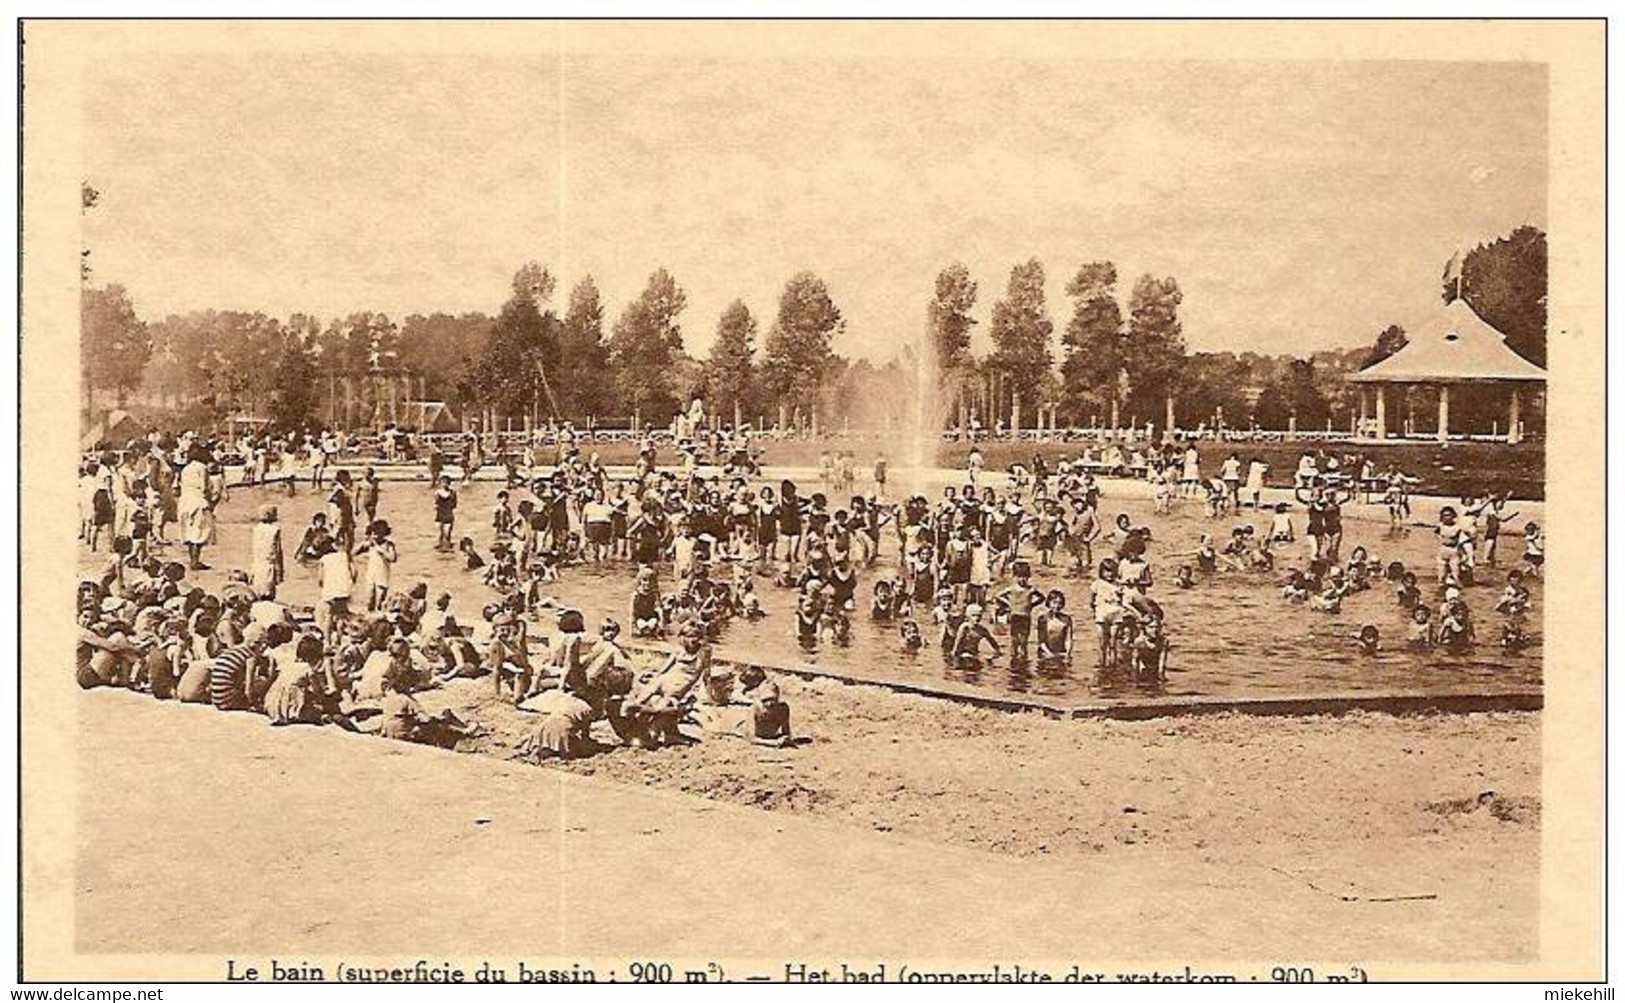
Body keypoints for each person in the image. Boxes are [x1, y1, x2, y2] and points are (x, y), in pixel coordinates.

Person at [249, 504, 284, 601]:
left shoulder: (256, 529)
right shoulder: (275, 530)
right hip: (269, 564)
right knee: (268, 593)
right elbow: (277, 551)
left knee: (258, 590)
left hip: (257, 564)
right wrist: (279, 570)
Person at [433, 475, 458, 551]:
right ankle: (441, 545)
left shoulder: (453, 493)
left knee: (447, 532)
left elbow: (454, 504)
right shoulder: (437, 493)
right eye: (442, 482)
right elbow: (435, 504)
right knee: (441, 532)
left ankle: (447, 545)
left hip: (448, 514)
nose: (444, 484)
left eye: (446, 482)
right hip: (440, 514)